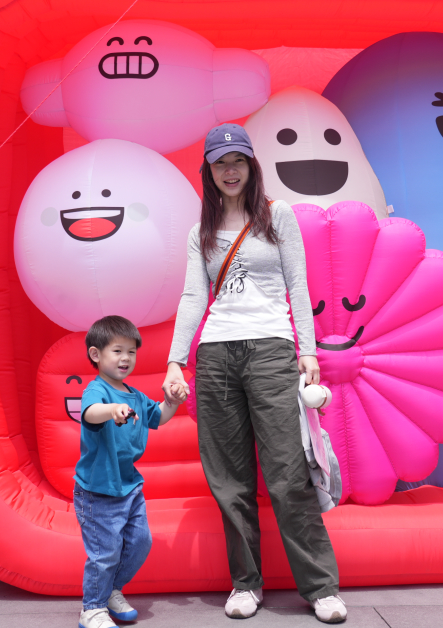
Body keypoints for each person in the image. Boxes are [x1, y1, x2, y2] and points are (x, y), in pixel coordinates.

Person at [162, 124, 346, 624]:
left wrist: (308, 350)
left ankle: (321, 588)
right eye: (220, 163)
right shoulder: (199, 232)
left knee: (288, 473)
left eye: (237, 161)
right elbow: (193, 296)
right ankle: (246, 584)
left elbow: (298, 285)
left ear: (251, 165)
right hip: (216, 354)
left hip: (270, 350)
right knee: (229, 479)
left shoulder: (276, 214)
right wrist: (177, 359)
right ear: (208, 170)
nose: (230, 171)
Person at [76, 315, 186, 628]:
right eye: (117, 351)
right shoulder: (96, 390)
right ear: (96, 354)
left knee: (140, 542)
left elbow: (159, 416)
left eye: (131, 352)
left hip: (129, 486)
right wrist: (111, 410)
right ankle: (92, 608)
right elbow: (91, 413)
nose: (125, 358)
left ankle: (111, 590)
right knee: (105, 552)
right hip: (98, 489)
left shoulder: (135, 396)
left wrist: (172, 401)